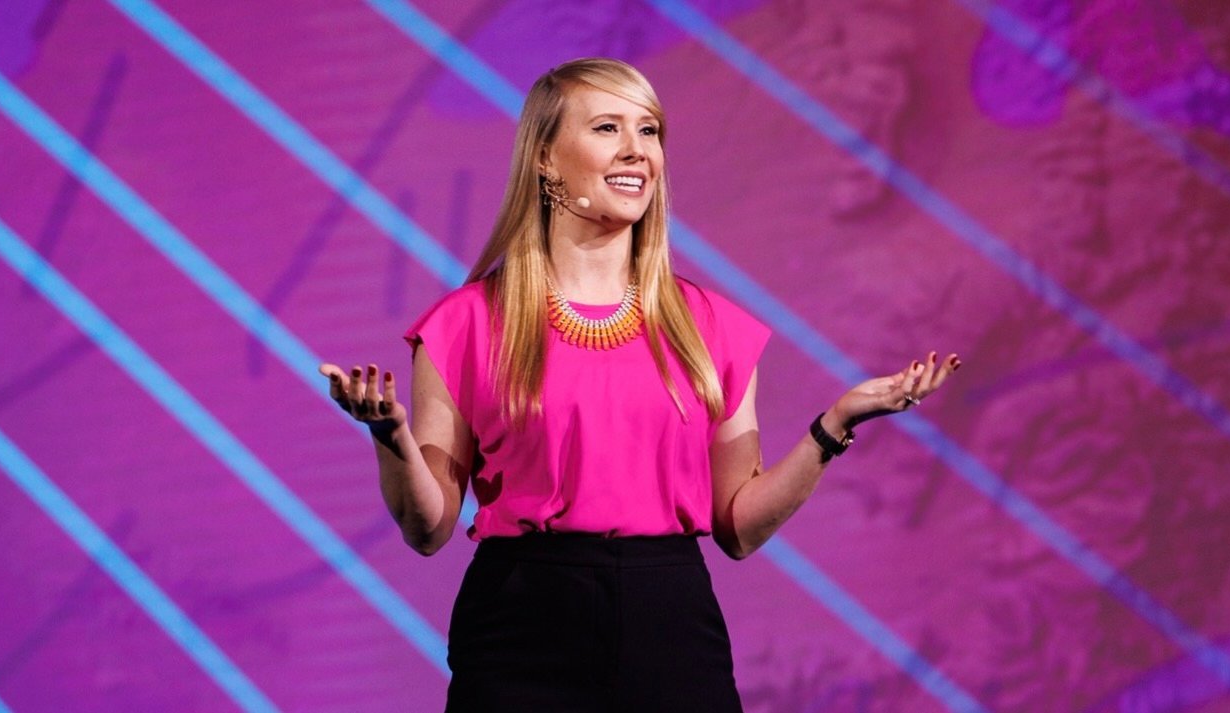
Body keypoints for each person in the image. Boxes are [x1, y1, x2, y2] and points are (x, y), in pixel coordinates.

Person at [317, 57, 960, 713]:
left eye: (649, 130)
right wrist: (390, 435)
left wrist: (835, 425)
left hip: (670, 625)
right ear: (544, 157)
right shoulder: (467, 325)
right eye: (606, 127)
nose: (637, 151)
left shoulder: (711, 328)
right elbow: (427, 528)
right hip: (520, 627)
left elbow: (737, 525)